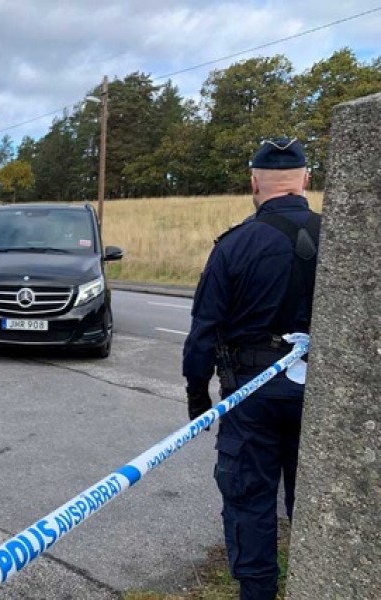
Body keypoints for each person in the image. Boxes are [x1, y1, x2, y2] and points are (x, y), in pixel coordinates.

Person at [182, 137, 321, 600]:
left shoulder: (234, 246)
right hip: (325, 398)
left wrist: (198, 400)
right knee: (321, 501)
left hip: (250, 396)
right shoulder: (345, 242)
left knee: (249, 499)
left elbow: (203, 332)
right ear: (305, 179)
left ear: (253, 183)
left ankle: (258, 592)